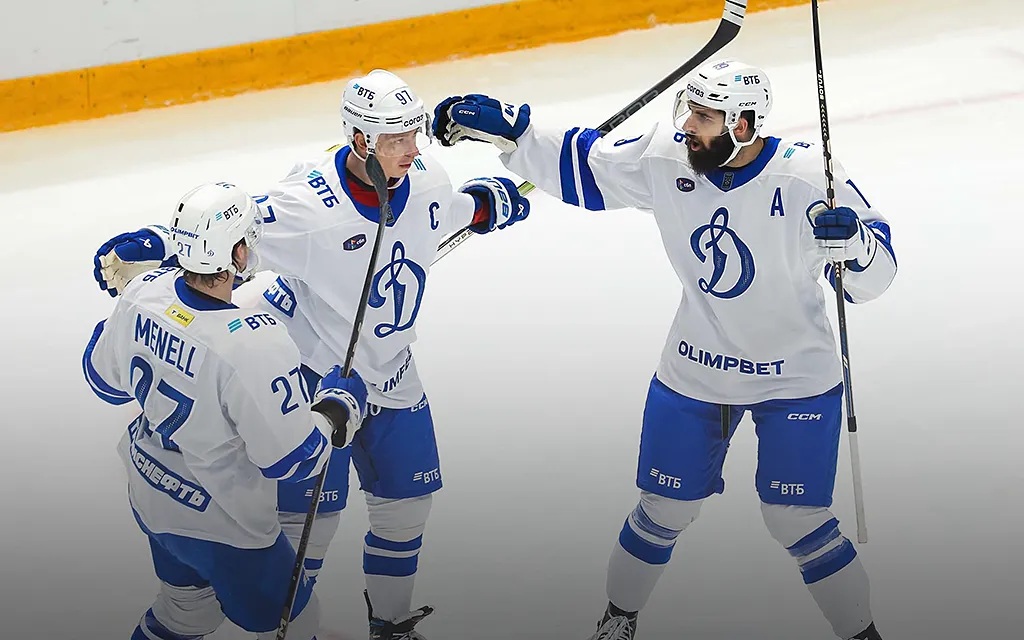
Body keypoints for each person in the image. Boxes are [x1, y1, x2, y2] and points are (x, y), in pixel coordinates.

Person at [432, 59, 897, 640]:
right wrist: (515, 131)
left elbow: (874, 278)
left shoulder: (807, 177)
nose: (688, 127)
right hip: (697, 369)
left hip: (796, 378)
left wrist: (855, 246)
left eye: (704, 117)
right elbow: (587, 164)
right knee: (662, 509)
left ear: (743, 125)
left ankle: (862, 634)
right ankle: (617, 620)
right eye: (689, 111)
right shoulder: (668, 157)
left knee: (796, 519)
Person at [92, 69, 531, 639]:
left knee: (408, 503)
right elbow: (236, 224)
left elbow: (439, 213)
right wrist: (155, 241)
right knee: (307, 532)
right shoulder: (308, 203)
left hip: (393, 370)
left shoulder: (425, 178)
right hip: (314, 378)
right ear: (360, 139)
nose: (411, 149)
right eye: (396, 138)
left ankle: (391, 625)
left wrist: (483, 204)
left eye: (413, 133)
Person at [83, 182, 369, 640]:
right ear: (236, 252)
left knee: (185, 613)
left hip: (153, 494)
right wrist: (337, 409)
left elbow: (104, 382)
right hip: (221, 524)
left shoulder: (141, 292)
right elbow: (293, 461)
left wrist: (125, 319)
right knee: (298, 622)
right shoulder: (253, 341)